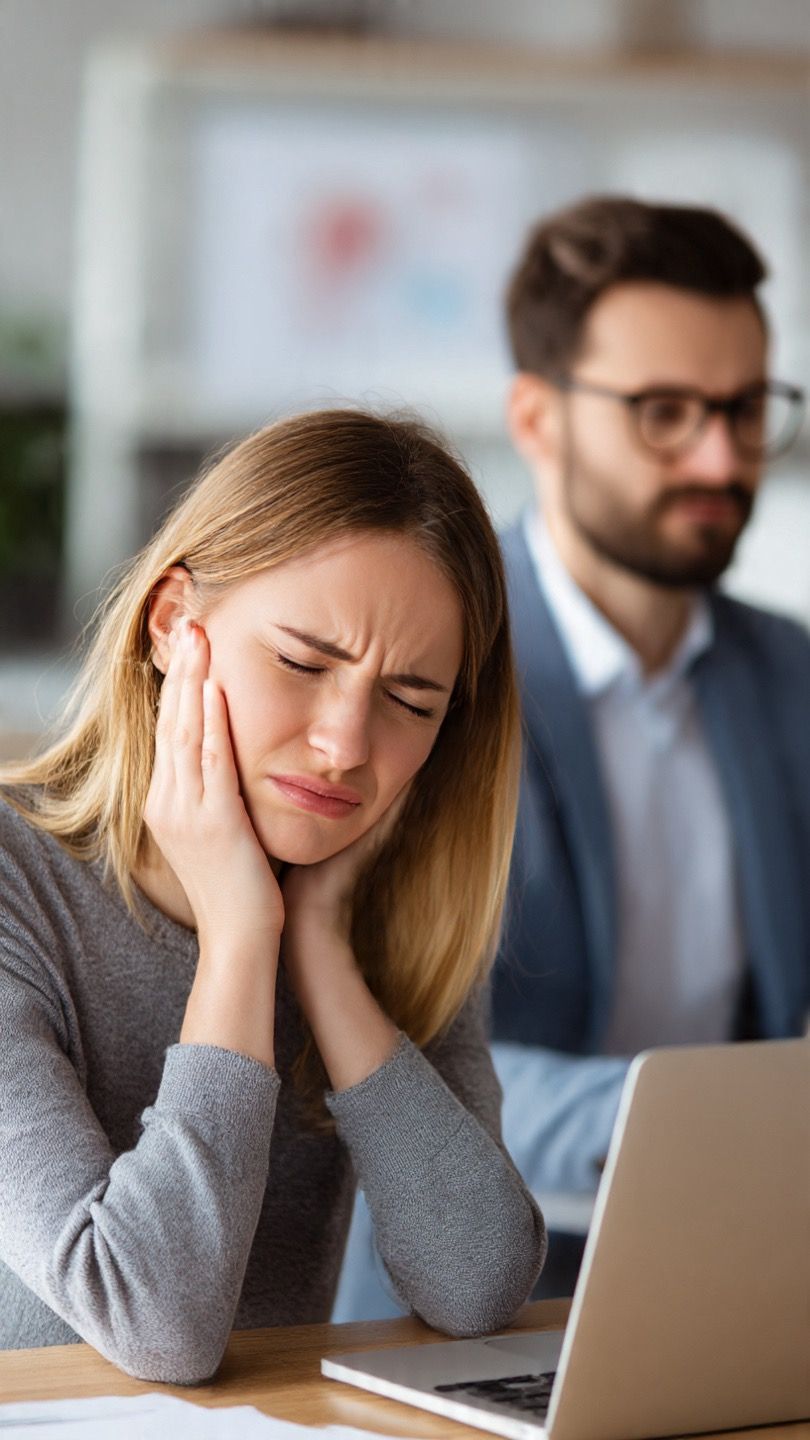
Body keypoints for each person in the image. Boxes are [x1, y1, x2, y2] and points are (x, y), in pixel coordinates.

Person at [332, 195, 810, 1318]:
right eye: (664, 412)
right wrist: (723, 1120)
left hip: (731, 1294)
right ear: (538, 419)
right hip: (456, 1310)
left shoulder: (788, 678)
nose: (720, 455)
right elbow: (386, 1064)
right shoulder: (418, 679)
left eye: (747, 409)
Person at [0, 408, 546, 1382]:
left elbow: (475, 1283)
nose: (345, 744)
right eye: (302, 663)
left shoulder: (395, 900)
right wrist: (242, 936)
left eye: (410, 701)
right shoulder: (15, 883)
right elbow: (152, 1324)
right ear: (173, 623)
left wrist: (324, 948)